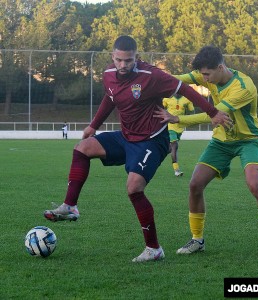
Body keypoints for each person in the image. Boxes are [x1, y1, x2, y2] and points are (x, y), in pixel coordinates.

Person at [43, 36, 232, 263]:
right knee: (83, 148)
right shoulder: (108, 75)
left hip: (152, 140)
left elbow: (185, 89)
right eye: (119, 60)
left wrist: (213, 113)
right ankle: (70, 206)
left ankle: (153, 249)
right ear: (112, 57)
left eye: (129, 60)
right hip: (127, 136)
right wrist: (94, 125)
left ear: (136, 57)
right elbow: (110, 98)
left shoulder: (151, 76)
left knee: (133, 187)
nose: (123, 65)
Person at [154, 45, 258, 259]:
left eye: (207, 74)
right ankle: (197, 240)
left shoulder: (243, 86)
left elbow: (215, 115)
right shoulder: (207, 76)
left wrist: (177, 118)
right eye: (202, 74)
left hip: (249, 140)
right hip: (221, 141)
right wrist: (148, 76)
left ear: (220, 67)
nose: (204, 79)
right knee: (194, 184)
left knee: (255, 185)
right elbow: (177, 78)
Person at [163, 94, 194, 176]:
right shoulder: (167, 98)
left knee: (170, 149)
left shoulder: (186, 99)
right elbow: (161, 107)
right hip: (170, 126)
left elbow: (191, 111)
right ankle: (176, 170)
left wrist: (189, 103)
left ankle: (156, 155)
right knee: (175, 146)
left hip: (180, 126)